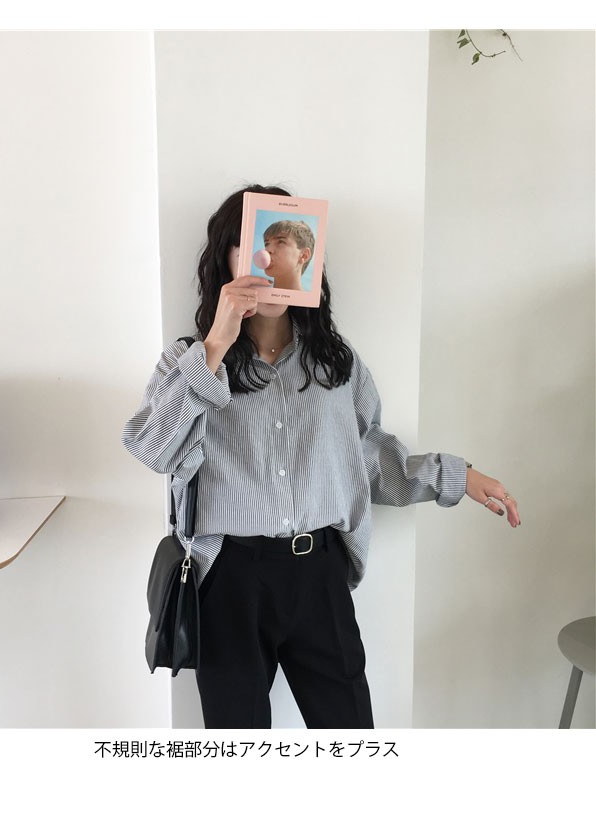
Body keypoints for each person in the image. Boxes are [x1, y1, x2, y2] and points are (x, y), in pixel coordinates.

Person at [123, 183, 521, 729]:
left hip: (319, 573)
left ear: (306, 258)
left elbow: (369, 460)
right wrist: (215, 345)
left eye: (278, 244)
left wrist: (459, 476)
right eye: (249, 245)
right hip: (227, 578)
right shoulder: (188, 361)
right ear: (226, 260)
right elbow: (152, 448)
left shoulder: (335, 364)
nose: (265, 260)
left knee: (350, 730)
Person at [261, 219, 315, 290]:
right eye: (267, 244)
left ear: (304, 255)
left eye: (280, 242)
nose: (267, 250)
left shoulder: (315, 297)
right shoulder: (253, 293)